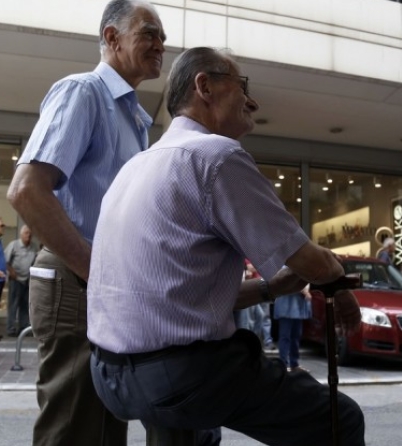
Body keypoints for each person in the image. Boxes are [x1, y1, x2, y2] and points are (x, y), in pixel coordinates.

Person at [87, 46, 365, 446]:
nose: (252, 101)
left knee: (193, 429)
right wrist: (340, 288)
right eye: (243, 85)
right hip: (182, 376)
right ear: (205, 86)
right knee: (342, 418)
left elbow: (177, 301)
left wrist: (271, 287)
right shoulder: (215, 156)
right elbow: (312, 262)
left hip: (110, 375)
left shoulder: (136, 165)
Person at [6, 1, 167, 444]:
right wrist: (98, 272)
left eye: (164, 38)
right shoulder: (84, 92)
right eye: (150, 33)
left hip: (101, 286)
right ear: (112, 38)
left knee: (103, 424)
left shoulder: (133, 117)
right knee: (76, 428)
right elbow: (27, 191)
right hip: (78, 282)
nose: (161, 45)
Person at [4, 225, 37, 337]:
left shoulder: (33, 247)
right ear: (21, 234)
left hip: (27, 280)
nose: (29, 235)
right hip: (16, 279)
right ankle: (11, 329)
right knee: (13, 305)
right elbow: (6, 261)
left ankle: (23, 327)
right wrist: (12, 272)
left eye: (30, 234)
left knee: (24, 305)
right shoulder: (13, 245)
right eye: (27, 233)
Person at [273, 284, 312, 372]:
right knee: (285, 336)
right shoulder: (284, 269)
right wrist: (304, 291)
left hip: (297, 305)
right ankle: (283, 363)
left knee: (296, 336)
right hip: (286, 303)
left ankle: (294, 363)